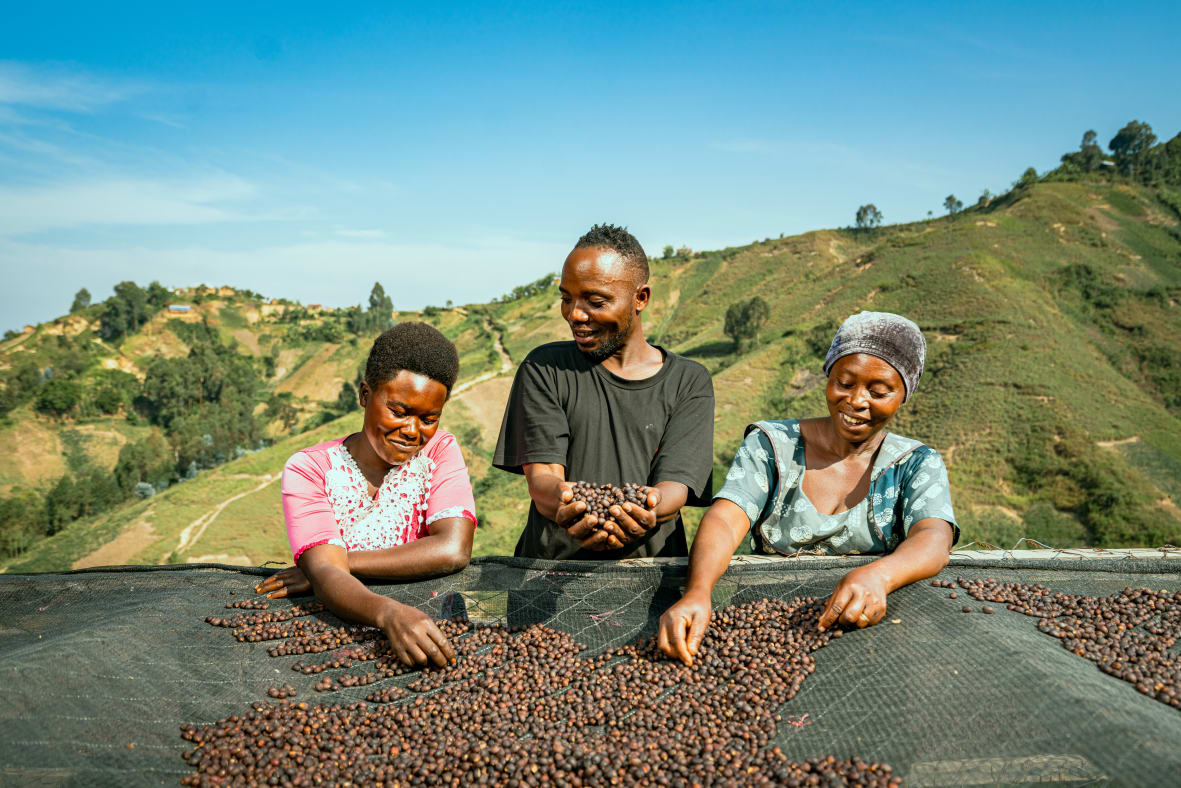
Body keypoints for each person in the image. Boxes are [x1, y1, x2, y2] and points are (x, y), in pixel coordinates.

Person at [658, 311, 958, 665]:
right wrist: (698, 592)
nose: (857, 401)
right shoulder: (772, 445)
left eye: (879, 392)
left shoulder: (915, 463)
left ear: (903, 394)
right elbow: (726, 519)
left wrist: (880, 576)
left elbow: (934, 538)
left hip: (876, 638)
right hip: (772, 640)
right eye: (845, 383)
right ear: (828, 376)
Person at [254, 322, 478, 667]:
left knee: (516, 615)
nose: (412, 431)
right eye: (398, 412)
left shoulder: (440, 450)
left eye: (429, 418)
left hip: (436, 615)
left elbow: (453, 549)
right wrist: (386, 613)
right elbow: (330, 579)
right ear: (364, 395)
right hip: (353, 621)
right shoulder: (309, 469)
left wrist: (333, 565)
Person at [493, 223, 714, 560]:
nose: (575, 314)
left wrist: (644, 511)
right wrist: (574, 506)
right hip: (548, 581)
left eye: (595, 301)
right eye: (566, 298)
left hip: (650, 586)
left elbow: (674, 488)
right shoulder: (546, 368)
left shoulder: (688, 382)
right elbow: (544, 478)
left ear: (641, 298)